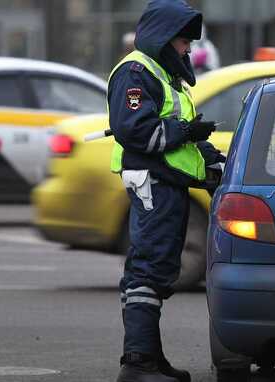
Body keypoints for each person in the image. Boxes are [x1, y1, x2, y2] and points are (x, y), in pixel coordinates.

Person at [107, 1, 225, 381]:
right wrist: (183, 133)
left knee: (158, 268)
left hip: (167, 182)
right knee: (149, 268)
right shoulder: (136, 71)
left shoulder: (163, 75)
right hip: (152, 182)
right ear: (163, 38)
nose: (188, 49)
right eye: (183, 41)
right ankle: (138, 364)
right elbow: (137, 132)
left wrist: (213, 158)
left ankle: (150, 359)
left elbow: (180, 138)